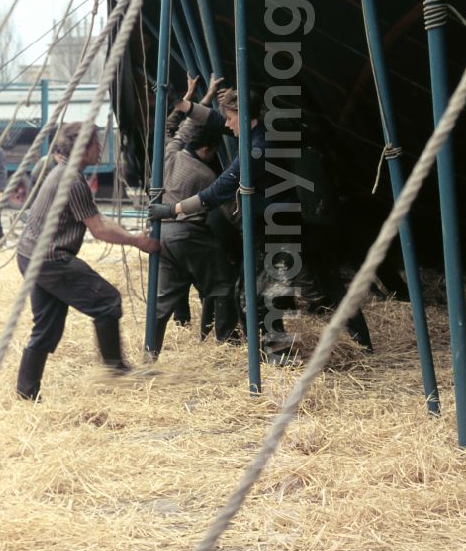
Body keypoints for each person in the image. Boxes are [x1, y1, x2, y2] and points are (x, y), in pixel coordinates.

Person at [149, 88, 372, 362]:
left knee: (263, 294)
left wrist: (173, 209)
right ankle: (356, 342)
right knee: (305, 286)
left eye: (231, 118)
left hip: (278, 228)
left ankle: (283, 353)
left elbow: (218, 190)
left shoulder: (257, 150)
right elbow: (216, 121)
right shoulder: (258, 130)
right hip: (280, 221)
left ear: (243, 117)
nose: (227, 125)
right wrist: (183, 104)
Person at [14, 121, 160, 401]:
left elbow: (98, 219)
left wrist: (131, 235)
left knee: (46, 326)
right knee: (107, 301)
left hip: (31, 255)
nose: (100, 148)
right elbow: (100, 229)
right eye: (96, 143)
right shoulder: (72, 180)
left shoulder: (63, 172)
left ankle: (26, 392)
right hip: (50, 259)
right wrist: (138, 241)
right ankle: (116, 371)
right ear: (83, 147)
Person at [148, 73, 238, 357]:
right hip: (190, 235)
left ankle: (150, 354)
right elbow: (228, 212)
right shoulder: (208, 175)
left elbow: (181, 126)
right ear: (209, 149)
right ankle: (226, 344)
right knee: (222, 284)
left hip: (160, 235)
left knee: (161, 303)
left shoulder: (170, 153)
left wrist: (204, 94)